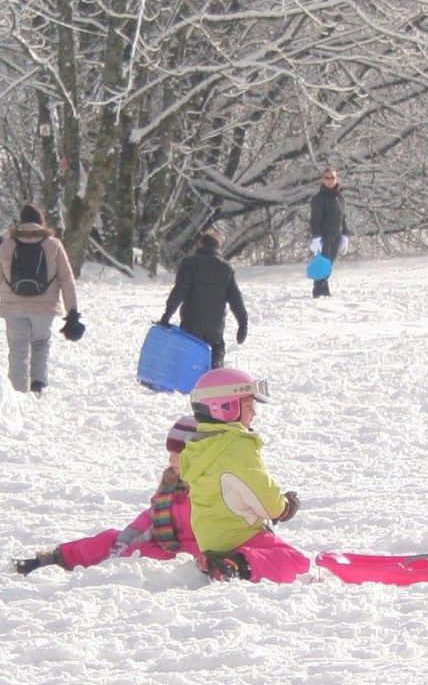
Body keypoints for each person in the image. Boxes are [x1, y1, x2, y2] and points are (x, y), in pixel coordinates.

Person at [12, 416, 202, 575]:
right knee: (109, 539)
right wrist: (126, 538)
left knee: (138, 553)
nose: (171, 460)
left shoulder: (205, 489)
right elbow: (151, 516)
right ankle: (51, 560)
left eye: (177, 455)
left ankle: (112, 570)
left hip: (186, 554)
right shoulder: (171, 483)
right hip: (161, 542)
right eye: (170, 454)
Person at [181, 368, 308, 583]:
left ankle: (220, 561)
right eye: (249, 406)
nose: (254, 414)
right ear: (224, 408)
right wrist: (284, 507)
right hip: (241, 536)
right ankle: (237, 564)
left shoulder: (198, 447)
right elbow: (261, 493)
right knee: (296, 563)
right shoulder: (237, 448)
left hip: (209, 539)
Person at [0, 204, 83, 394]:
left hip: (13, 308)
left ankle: (18, 394)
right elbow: (67, 280)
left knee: (18, 350)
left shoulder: (7, 244)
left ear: (21, 222)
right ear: (40, 222)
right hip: (45, 308)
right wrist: (72, 313)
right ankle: (37, 386)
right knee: (40, 344)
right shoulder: (53, 245)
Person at [158, 228, 247, 369]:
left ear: (200, 245)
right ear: (218, 247)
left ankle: (188, 380)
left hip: (191, 323)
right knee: (217, 348)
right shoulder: (226, 268)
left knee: (189, 358)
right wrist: (243, 324)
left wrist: (166, 315)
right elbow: (236, 300)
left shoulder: (189, 263)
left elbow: (179, 291)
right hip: (215, 327)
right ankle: (215, 373)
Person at [308, 166, 351, 299]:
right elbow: (315, 220)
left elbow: (343, 217)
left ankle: (325, 288)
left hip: (336, 235)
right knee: (322, 263)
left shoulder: (339, 198)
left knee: (329, 263)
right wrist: (316, 238)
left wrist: (345, 234)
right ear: (322, 180)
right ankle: (318, 290)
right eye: (327, 178)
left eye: (332, 178)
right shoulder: (319, 198)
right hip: (324, 237)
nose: (330, 181)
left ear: (336, 179)